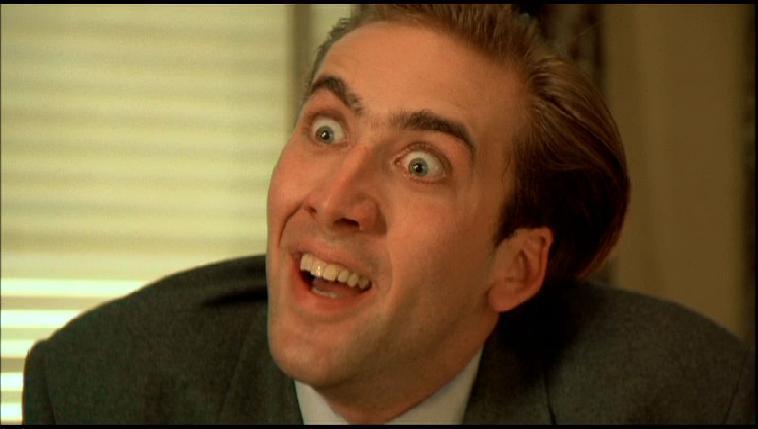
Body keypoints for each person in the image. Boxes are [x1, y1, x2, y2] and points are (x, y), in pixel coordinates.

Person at [22, 4, 754, 424]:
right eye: (327, 129)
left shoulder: (685, 397)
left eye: (421, 165)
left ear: (515, 267)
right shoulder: (101, 389)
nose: (334, 201)